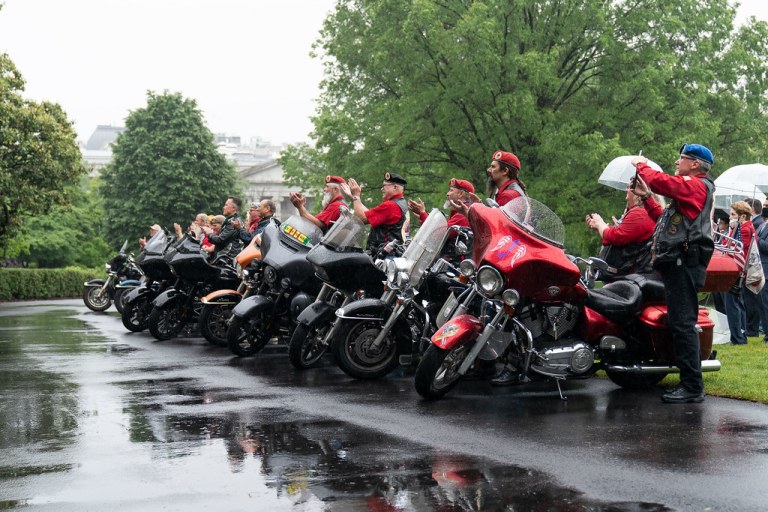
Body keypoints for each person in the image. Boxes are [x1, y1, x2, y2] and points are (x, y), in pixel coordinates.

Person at [630, 143, 715, 404]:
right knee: (680, 321)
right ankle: (690, 383)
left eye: (682, 159)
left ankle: (692, 386)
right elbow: (665, 221)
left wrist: (640, 165)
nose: (677, 163)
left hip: (683, 264)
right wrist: (646, 198)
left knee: (683, 323)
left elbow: (661, 182)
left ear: (695, 164)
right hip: (678, 264)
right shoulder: (689, 193)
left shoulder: (696, 185)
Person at [585, 184, 655, 279]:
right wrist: (600, 226)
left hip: (627, 276)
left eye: (629, 187)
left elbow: (615, 237)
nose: (626, 190)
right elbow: (620, 233)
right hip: (628, 275)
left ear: (639, 191)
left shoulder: (640, 213)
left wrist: (599, 223)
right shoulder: (639, 211)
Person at [340, 172, 409, 255]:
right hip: (391, 256)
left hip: (381, 256)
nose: (381, 189)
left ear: (395, 187)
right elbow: (369, 215)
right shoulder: (401, 203)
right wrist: (353, 196)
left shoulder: (390, 206)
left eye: (384, 186)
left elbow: (360, 219)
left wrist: (356, 196)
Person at [724, 200, 755, 345]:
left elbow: (733, 248)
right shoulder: (746, 227)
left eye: (733, 214)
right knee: (738, 303)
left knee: (732, 305)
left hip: (735, 270)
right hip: (738, 271)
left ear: (742, 217)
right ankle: (741, 334)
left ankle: (737, 337)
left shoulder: (742, 229)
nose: (730, 217)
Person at [407, 178, 473, 229]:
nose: (447, 194)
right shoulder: (461, 213)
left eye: (451, 190)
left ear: (461, 194)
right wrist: (422, 216)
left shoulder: (463, 214)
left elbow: (439, 235)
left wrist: (422, 214)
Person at [201, 196, 244, 262]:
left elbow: (219, 240)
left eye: (226, 205)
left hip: (227, 260)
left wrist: (209, 233)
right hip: (224, 258)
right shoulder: (231, 220)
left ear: (233, 208)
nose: (224, 207)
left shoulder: (233, 222)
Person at [743, 198, 764, 337]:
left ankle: (753, 329)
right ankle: (750, 327)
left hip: (756, 265)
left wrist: (756, 239)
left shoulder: (757, 223)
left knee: (754, 300)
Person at [756, 199, 768, 343]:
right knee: (762, 303)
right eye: (764, 206)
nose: (764, 208)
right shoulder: (763, 225)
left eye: (767, 206)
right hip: (761, 268)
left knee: (765, 303)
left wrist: (757, 239)